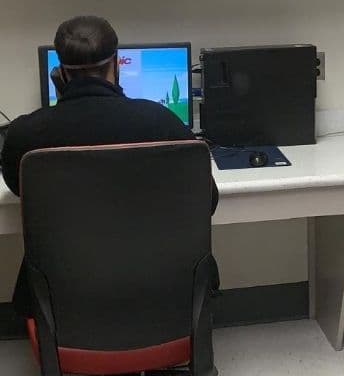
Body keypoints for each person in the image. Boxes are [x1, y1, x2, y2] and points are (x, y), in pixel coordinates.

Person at [1, 16, 216, 318]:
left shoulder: (25, 135)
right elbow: (207, 200)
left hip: (64, 304)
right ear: (117, 65)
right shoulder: (162, 121)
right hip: (163, 296)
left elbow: (17, 188)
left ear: (59, 73)